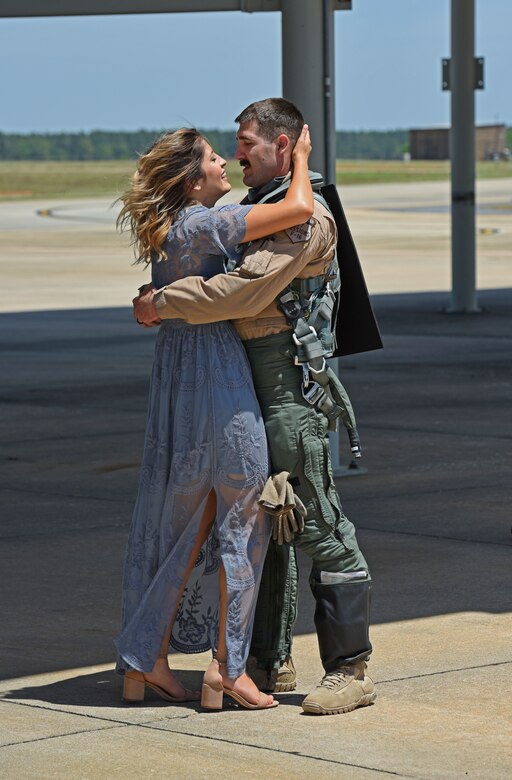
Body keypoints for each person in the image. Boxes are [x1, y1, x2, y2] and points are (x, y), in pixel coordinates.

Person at [133, 98, 376, 716]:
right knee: (265, 527)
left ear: (286, 145)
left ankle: (351, 668)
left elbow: (240, 292)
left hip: (287, 392)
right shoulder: (260, 208)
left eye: (246, 143)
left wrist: (164, 301)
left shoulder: (304, 216)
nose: (237, 154)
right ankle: (261, 659)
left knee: (316, 522)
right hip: (248, 383)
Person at [114, 124, 315, 711]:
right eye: (211, 158)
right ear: (191, 178)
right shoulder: (204, 223)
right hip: (216, 372)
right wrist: (298, 156)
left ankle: (144, 660)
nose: (225, 162)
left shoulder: (166, 231)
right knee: (244, 514)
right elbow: (299, 206)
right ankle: (226, 669)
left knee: (183, 520)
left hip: (174, 379)